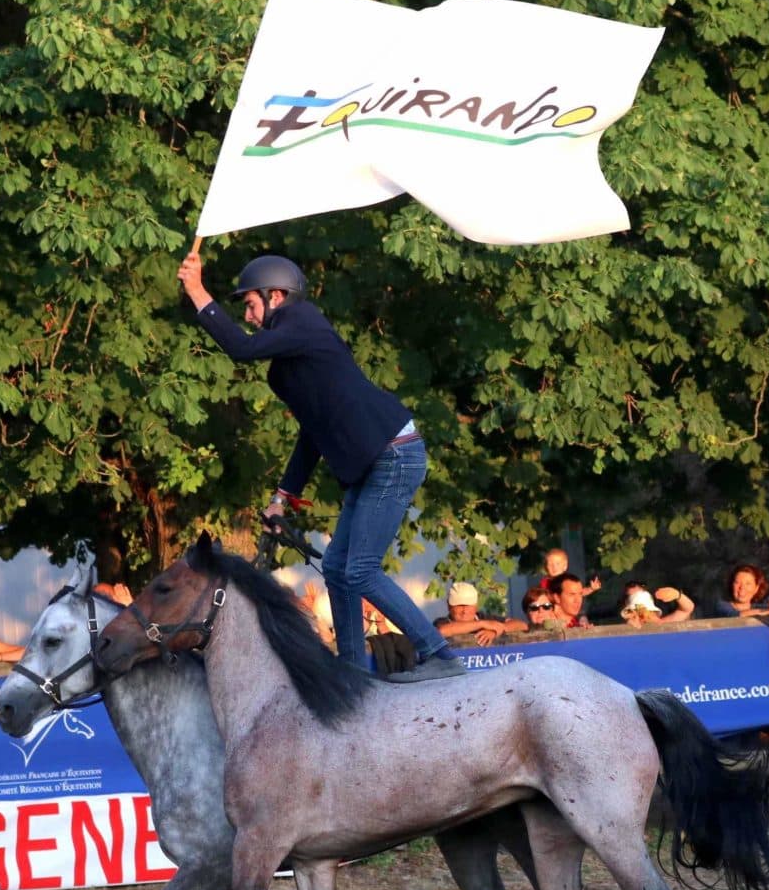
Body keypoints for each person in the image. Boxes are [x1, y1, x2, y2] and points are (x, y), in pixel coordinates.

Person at [177, 248, 462, 683]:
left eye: (251, 305)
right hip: (374, 463)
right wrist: (281, 500)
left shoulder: (302, 320)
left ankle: (438, 652)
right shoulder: (285, 370)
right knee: (335, 569)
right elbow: (311, 434)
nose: (249, 317)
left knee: (359, 569)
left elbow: (239, 348)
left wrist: (197, 291)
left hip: (394, 453)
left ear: (277, 295)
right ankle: (352, 673)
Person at [436, 582, 526, 646]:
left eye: (468, 605)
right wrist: (482, 624)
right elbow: (442, 631)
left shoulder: (485, 617)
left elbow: (522, 625)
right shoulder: (442, 622)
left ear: (476, 605)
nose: (464, 610)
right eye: (459, 605)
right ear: (449, 605)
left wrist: (495, 630)